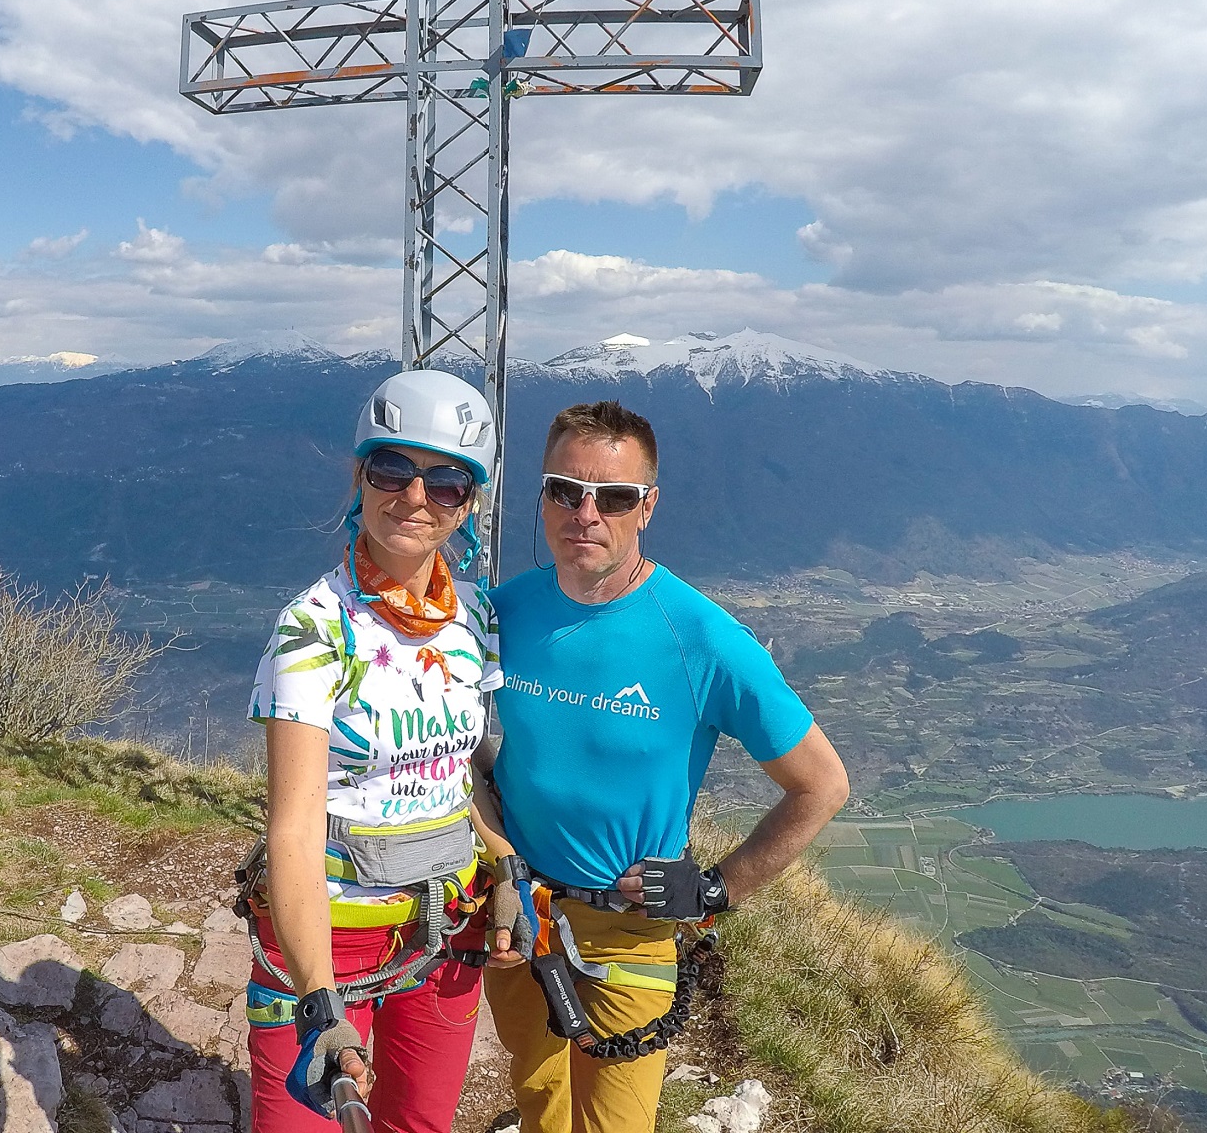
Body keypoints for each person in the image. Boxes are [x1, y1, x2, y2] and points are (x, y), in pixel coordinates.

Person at [473, 400, 849, 1133]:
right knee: (538, 1099)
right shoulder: (501, 613)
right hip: (519, 911)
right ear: (542, 496)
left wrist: (714, 889)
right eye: (564, 490)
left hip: (631, 929)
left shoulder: (703, 638)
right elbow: (460, 749)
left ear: (647, 506)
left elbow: (822, 784)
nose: (586, 513)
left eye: (613, 497)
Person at [243, 368, 504, 1133]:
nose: (416, 497)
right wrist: (317, 998)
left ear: (470, 502)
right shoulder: (315, 630)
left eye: (447, 481)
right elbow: (290, 828)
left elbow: (459, 776)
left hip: (446, 926)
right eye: (393, 469)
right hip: (330, 938)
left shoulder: (476, 617)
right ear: (361, 475)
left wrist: (504, 861)